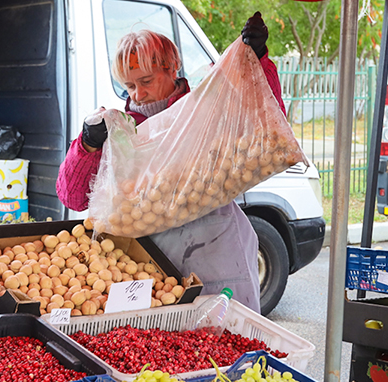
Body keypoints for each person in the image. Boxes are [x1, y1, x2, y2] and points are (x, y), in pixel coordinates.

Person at [55, 12, 285, 313]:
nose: (138, 94)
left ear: (172, 67)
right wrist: (87, 144)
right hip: (153, 265)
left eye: (146, 81)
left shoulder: (204, 108)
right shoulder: (122, 132)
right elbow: (71, 196)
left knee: (231, 341)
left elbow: (265, 122)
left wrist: (257, 63)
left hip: (218, 251)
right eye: (129, 85)